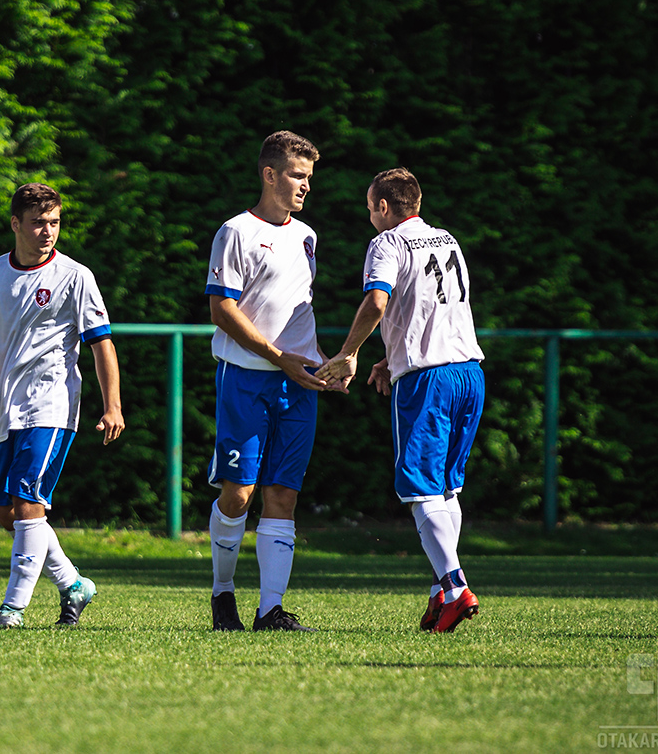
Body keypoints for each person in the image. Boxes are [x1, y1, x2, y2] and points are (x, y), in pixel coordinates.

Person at [0, 182, 124, 628]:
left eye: (54, 222)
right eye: (38, 222)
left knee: (27, 501)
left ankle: (12, 609)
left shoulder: (75, 276)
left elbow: (101, 344)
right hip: (0, 410)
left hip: (50, 405)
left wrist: (112, 405)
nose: (48, 231)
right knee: (6, 513)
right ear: (16, 224)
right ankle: (74, 583)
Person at [319, 167, 485, 633]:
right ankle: (439, 589)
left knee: (419, 489)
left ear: (385, 207)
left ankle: (454, 588)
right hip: (469, 373)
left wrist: (349, 352)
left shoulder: (387, 243)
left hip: (428, 382)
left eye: (370, 207)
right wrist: (391, 359)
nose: (369, 215)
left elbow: (378, 302)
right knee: (448, 487)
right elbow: (432, 309)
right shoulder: (447, 239)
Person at [204, 130, 330, 632]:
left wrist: (326, 363)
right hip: (246, 380)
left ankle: (270, 609)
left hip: (297, 384)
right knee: (239, 493)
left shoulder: (307, 236)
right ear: (269, 174)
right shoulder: (234, 231)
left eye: (308, 178)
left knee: (284, 494)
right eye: (297, 176)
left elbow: (298, 312)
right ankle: (222, 593)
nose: (304, 186)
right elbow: (222, 309)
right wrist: (279, 357)